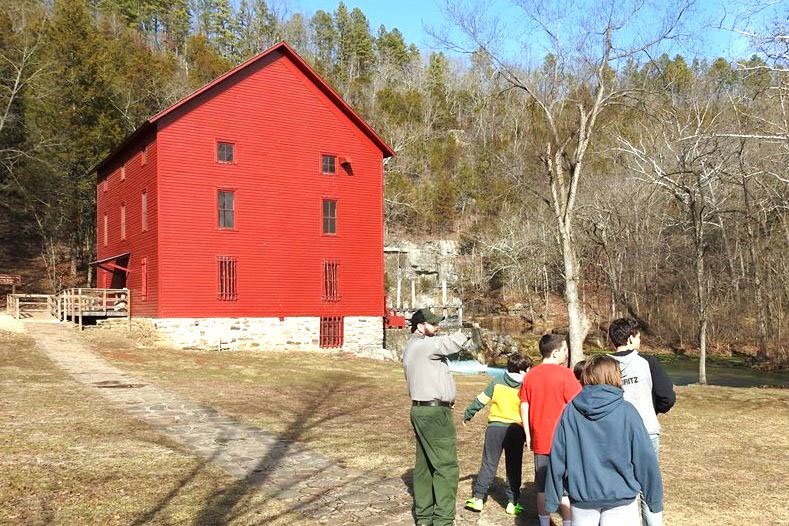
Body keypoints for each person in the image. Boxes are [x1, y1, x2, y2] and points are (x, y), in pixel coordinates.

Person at [544, 355, 664, 526]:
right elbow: (645, 459)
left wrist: (551, 498)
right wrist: (654, 499)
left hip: (583, 497)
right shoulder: (627, 412)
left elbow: (557, 457)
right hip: (619, 497)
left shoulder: (570, 410)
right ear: (615, 377)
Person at [402, 308, 471, 526]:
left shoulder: (413, 347)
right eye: (433, 324)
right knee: (446, 466)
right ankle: (443, 521)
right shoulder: (424, 345)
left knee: (424, 466)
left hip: (422, 410)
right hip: (434, 413)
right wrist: (465, 332)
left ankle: (424, 517)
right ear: (420, 326)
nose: (437, 327)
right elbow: (451, 343)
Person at [608, 318, 675, 526]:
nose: (640, 340)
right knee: (650, 488)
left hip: (614, 435)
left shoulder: (603, 365)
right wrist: (653, 409)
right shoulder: (649, 363)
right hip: (647, 431)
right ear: (630, 338)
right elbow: (667, 397)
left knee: (621, 486)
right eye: (638, 336)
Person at [519, 334, 581, 526]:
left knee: (542, 486)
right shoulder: (566, 375)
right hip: (565, 440)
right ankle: (568, 522)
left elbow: (524, 405)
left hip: (540, 439)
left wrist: (528, 434)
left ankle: (544, 523)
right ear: (555, 353)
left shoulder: (530, 375)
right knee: (565, 486)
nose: (566, 354)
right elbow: (578, 403)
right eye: (564, 350)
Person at [462, 353, 533, 516]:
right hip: (516, 429)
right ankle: (512, 502)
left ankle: (479, 498)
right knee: (514, 466)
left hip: (495, 427)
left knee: (489, 462)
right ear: (523, 371)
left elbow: (481, 399)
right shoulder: (527, 386)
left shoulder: (497, 381)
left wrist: (469, 413)